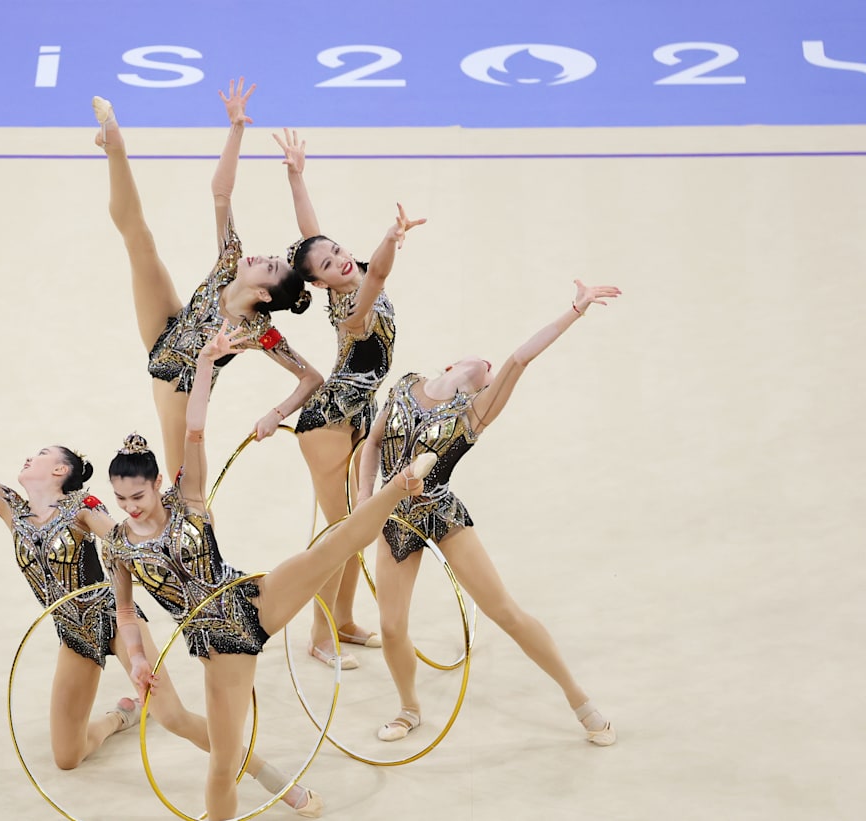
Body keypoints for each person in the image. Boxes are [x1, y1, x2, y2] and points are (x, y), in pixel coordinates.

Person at [0, 369, 324, 813]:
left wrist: (174, 532)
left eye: (41, 454)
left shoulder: (82, 509)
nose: (29, 458)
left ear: (60, 469)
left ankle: (276, 781)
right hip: (73, 633)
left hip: (113, 621)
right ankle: (121, 716)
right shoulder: (11, 510)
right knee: (67, 757)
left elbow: (127, 540)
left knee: (172, 717)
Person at [102, 328, 439, 819]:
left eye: (137, 495)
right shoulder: (117, 546)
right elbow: (126, 613)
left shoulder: (186, 497)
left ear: (156, 483)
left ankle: (401, 485)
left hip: (252, 598)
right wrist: (135, 658)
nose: (130, 507)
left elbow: (194, 428)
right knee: (223, 762)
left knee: (334, 544)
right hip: (218, 645)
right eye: (120, 499)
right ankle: (271, 790)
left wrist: (205, 363)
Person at [356, 281, 622, 746]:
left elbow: (519, 359)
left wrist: (575, 310)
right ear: (450, 365)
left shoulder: (474, 413)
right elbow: (374, 441)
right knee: (392, 626)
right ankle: (408, 709)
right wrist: (364, 498)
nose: (489, 366)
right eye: (484, 363)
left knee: (504, 611)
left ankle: (580, 700)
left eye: (491, 374)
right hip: (392, 519)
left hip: (440, 513)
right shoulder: (404, 385)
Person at [93, 81, 323, 480]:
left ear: (263, 293)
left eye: (268, 267)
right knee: (140, 241)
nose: (260, 258)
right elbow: (221, 191)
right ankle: (115, 145)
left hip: (178, 388)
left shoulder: (258, 331)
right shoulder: (231, 259)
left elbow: (311, 378)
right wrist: (236, 128)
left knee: (184, 484)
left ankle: (201, 526)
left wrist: (276, 414)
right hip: (166, 326)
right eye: (270, 258)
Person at [274, 128, 426, 670]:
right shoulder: (352, 307)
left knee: (354, 531)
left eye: (338, 251)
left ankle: (342, 621)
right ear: (318, 285)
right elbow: (379, 271)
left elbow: (311, 237)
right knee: (342, 536)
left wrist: (297, 176)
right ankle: (319, 637)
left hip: (358, 416)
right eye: (327, 265)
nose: (339, 260)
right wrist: (391, 236)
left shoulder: (341, 267)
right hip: (327, 422)